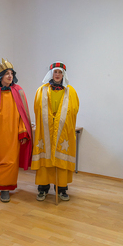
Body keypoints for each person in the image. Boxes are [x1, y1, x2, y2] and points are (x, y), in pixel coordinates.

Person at [0, 58, 32, 202]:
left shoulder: (19, 91)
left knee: (10, 162)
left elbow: (23, 115)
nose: (9, 76)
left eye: (11, 73)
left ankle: (5, 189)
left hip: (13, 135)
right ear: (0, 76)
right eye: (6, 73)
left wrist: (23, 131)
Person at [31, 62, 79, 201]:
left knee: (61, 158)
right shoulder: (42, 90)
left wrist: (60, 120)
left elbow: (74, 110)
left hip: (62, 131)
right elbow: (37, 108)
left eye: (60, 72)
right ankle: (43, 188)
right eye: (55, 72)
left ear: (63, 74)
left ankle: (61, 189)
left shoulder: (70, 91)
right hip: (46, 131)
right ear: (51, 73)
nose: (57, 75)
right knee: (45, 160)